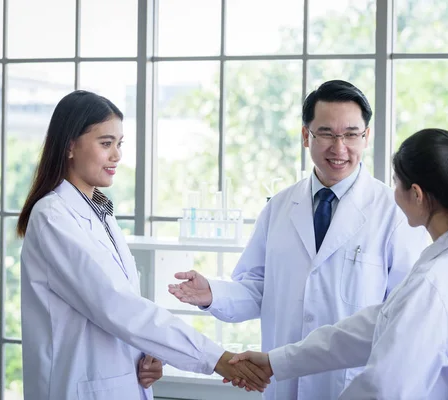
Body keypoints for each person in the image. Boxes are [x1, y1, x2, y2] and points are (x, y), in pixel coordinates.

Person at [168, 80, 428, 400]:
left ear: (367, 136)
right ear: (306, 136)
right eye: (326, 134)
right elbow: (257, 290)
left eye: (350, 134)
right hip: (283, 384)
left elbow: (405, 314)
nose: (339, 147)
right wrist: (212, 294)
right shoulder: (279, 207)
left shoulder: (394, 212)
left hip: (354, 385)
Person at [17, 90, 269, 400]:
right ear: (70, 145)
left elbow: (121, 312)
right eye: (105, 143)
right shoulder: (53, 216)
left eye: (119, 144)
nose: (117, 156)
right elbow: (115, 305)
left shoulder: (100, 213)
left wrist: (146, 355)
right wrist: (215, 358)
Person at [228, 128, 448, 399]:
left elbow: (383, 389)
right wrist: (276, 361)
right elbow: (372, 328)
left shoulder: (435, 280)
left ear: (416, 194)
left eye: (397, 183)